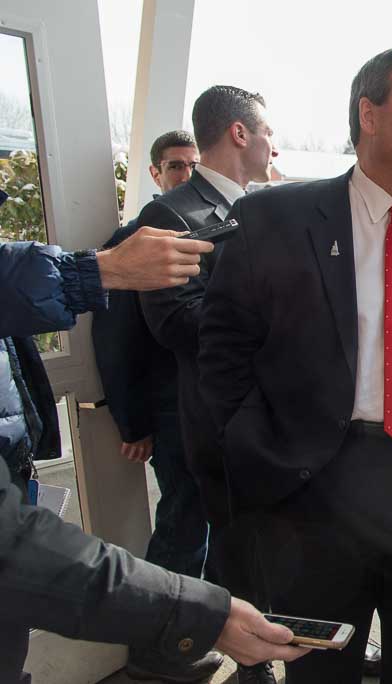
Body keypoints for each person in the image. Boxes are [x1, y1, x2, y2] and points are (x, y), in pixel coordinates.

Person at [198, 45, 392, 684]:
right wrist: (257, 446)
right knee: (322, 673)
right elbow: (223, 348)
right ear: (368, 116)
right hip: (319, 485)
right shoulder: (276, 218)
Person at [0, 230, 309, 683]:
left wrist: (91, 273)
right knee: (180, 529)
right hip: (178, 424)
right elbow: (123, 340)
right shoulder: (159, 226)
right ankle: (156, 658)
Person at [136, 85, 279, 684]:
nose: (275, 143)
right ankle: (244, 662)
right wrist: (277, 324)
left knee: (277, 545)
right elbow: (173, 321)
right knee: (229, 548)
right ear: (241, 134)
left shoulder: (266, 209)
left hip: (275, 416)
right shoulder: (170, 214)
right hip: (220, 421)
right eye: (267, 129)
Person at [92, 131, 208, 593]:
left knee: (211, 528)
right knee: (182, 529)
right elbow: (115, 342)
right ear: (155, 174)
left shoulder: (208, 235)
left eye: (193, 165)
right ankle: (161, 644)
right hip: (168, 417)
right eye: (176, 166)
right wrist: (133, 424)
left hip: (208, 411)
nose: (186, 175)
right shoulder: (130, 244)